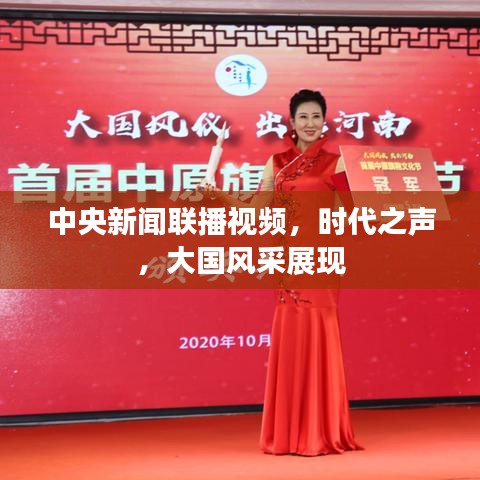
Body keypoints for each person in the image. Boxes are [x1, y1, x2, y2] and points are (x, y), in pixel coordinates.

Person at [201, 89, 362, 456]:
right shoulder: (276, 163)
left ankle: (322, 431)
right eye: (303, 116)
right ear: (292, 121)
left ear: (324, 120)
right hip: (288, 259)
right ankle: (290, 433)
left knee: (320, 331)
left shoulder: (337, 163)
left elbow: (354, 209)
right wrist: (218, 194)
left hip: (320, 259)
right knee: (291, 332)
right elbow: (257, 208)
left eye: (316, 116)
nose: (310, 123)